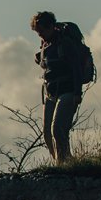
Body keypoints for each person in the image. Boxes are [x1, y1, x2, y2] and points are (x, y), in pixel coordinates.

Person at [32, 11, 82, 163]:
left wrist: (77, 93)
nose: (40, 35)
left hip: (68, 92)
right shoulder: (45, 46)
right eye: (38, 32)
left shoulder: (65, 44)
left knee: (58, 129)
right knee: (47, 132)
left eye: (41, 31)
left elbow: (77, 68)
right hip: (50, 93)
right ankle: (60, 162)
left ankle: (64, 162)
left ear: (51, 26)